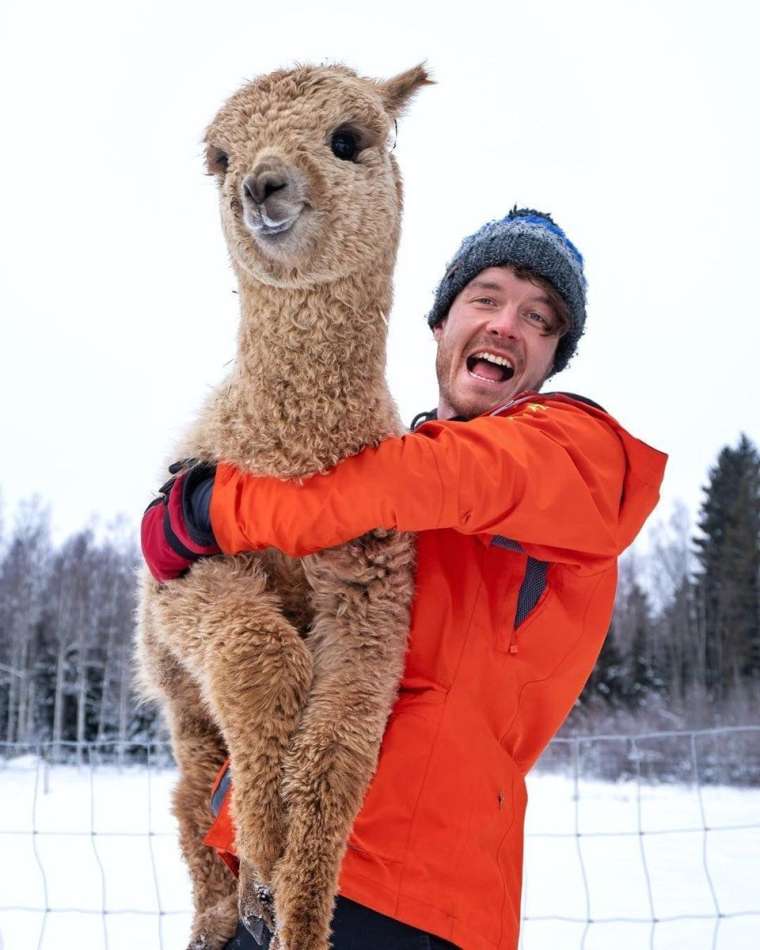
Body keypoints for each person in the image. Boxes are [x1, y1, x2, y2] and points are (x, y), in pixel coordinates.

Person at [142, 208, 667, 950]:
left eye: (539, 318)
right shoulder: (385, 467)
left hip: (401, 893)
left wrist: (214, 509)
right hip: (266, 863)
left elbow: (440, 477)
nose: (506, 325)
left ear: (552, 359)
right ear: (441, 323)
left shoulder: (577, 455)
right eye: (485, 298)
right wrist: (192, 557)